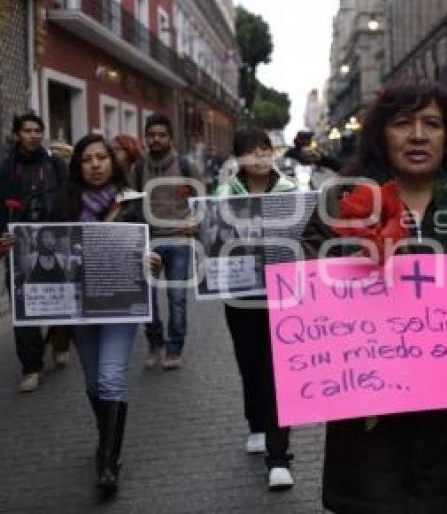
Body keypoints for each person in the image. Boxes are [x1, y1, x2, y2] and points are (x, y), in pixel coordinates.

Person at [301, 79, 447, 513]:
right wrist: (360, 259)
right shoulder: (344, 202)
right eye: (402, 123)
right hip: (368, 425)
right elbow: (310, 297)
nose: (417, 135)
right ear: (380, 135)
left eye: (432, 123)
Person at [50, 133, 160, 493]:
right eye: (87, 159)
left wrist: (152, 261)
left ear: (113, 163)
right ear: (78, 166)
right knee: (94, 381)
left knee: (112, 376)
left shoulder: (133, 202)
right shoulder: (63, 204)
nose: (95, 165)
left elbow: (151, 245)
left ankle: (108, 462)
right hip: (79, 306)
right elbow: (45, 247)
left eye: (101, 158)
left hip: (120, 303)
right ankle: (106, 436)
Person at [215, 128, 299, 490]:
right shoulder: (223, 194)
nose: (259, 156)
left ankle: (278, 456)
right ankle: (256, 424)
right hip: (240, 291)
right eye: (250, 150)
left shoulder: (292, 190)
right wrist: (197, 230)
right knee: (250, 363)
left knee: (278, 368)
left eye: (264, 148)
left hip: (282, 291)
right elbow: (213, 237)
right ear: (238, 158)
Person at [0, 112, 70, 392]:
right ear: (17, 134)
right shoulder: (6, 168)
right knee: (22, 306)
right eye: (27, 130)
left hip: (54, 241)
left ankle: (58, 338)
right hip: (19, 246)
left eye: (37, 130)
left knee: (58, 297)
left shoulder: (55, 164)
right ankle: (31, 367)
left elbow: (68, 196)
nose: (33, 135)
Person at [132, 114, 200, 370]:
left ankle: (174, 349)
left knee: (177, 298)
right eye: (151, 135)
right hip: (148, 242)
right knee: (146, 298)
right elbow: (130, 202)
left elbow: (201, 201)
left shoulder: (186, 166)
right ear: (146, 138)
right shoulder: (138, 168)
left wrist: (196, 220)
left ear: (170, 138)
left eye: (161, 134)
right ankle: (155, 343)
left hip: (179, 242)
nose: (156, 139)